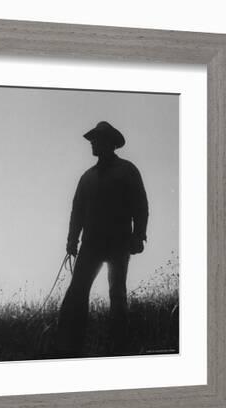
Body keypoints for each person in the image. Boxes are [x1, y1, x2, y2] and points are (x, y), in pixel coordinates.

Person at [57, 121, 149, 357]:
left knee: (117, 294)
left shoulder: (127, 170)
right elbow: (77, 211)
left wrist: (139, 235)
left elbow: (141, 205)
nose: (92, 143)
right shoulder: (86, 178)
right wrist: (71, 240)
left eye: (96, 140)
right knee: (77, 293)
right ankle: (70, 348)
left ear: (108, 143)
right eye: (92, 140)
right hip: (90, 245)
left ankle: (119, 348)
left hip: (119, 243)